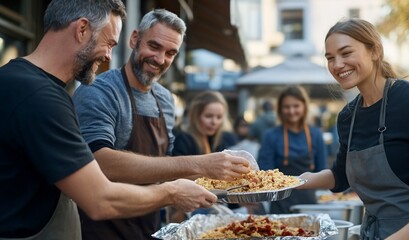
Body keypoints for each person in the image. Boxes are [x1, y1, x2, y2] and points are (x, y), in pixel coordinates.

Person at [0, 1, 242, 238]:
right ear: (82, 29)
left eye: (170, 53)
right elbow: (99, 198)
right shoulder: (44, 97)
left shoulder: (17, 80)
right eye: (108, 43)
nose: (107, 56)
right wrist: (176, 189)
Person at [72, 9, 249, 240]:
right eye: (154, 47)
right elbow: (98, 162)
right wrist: (200, 163)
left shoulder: (165, 99)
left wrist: (234, 185)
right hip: (101, 230)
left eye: (170, 53)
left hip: (151, 228)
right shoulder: (100, 90)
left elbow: (163, 168)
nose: (160, 59)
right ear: (135, 38)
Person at [299, 18, 409, 239]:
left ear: (375, 51)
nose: (337, 64)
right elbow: (340, 176)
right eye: (330, 58)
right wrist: (289, 182)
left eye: (346, 53)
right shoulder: (348, 116)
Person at [258, 86, 327, 214]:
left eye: (296, 106)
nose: (291, 111)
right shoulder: (271, 136)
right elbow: (264, 173)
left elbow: (322, 171)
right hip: (280, 204)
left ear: (304, 107)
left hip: (309, 204)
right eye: (287, 107)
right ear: (280, 109)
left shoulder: (316, 134)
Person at [171, 91, 240, 220]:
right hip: (188, 209)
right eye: (208, 116)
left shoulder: (220, 140)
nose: (214, 122)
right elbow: (175, 174)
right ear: (196, 116)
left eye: (219, 117)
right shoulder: (182, 138)